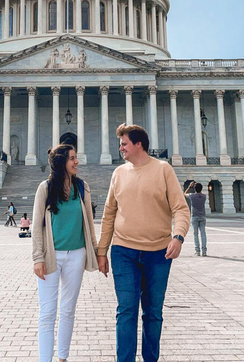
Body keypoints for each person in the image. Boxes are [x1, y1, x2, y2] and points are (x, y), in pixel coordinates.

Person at [97, 124, 190, 362]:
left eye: (124, 143)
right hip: (123, 251)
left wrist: (178, 237)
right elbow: (109, 214)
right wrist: (101, 251)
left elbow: (180, 208)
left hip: (158, 253)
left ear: (139, 144)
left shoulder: (163, 169)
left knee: (153, 313)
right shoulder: (118, 173)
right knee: (126, 311)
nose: (121, 148)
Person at [32, 144, 98, 362]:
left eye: (76, 157)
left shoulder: (83, 188)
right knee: (48, 313)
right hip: (51, 256)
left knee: (68, 310)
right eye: (72, 158)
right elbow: (36, 226)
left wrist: (97, 252)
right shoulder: (45, 188)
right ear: (62, 162)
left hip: (76, 254)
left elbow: (89, 221)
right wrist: (37, 258)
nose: (77, 161)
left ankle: (62, 358)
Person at [184, 181, 207, 256]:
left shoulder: (192, 196)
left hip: (194, 216)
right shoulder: (204, 196)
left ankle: (197, 251)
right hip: (202, 216)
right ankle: (204, 251)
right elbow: (200, 192)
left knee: (195, 234)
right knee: (203, 233)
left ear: (194, 189)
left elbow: (184, 194)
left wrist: (190, 187)